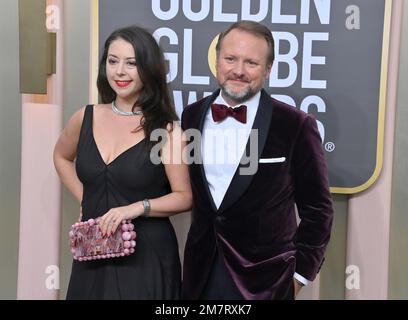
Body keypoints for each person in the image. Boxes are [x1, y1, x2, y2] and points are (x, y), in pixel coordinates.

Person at [181, 21, 333, 300]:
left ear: (268, 70)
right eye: (230, 59)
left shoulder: (295, 124)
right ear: (216, 62)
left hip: (265, 281)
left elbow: (318, 210)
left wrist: (297, 278)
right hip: (200, 274)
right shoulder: (191, 116)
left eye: (251, 62)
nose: (238, 70)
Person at [53, 25, 192, 299]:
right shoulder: (85, 117)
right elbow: (61, 157)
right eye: (113, 61)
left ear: (148, 69)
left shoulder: (168, 131)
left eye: (131, 63)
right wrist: (86, 198)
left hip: (146, 258)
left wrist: (135, 208)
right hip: (93, 251)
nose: (119, 72)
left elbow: (185, 197)